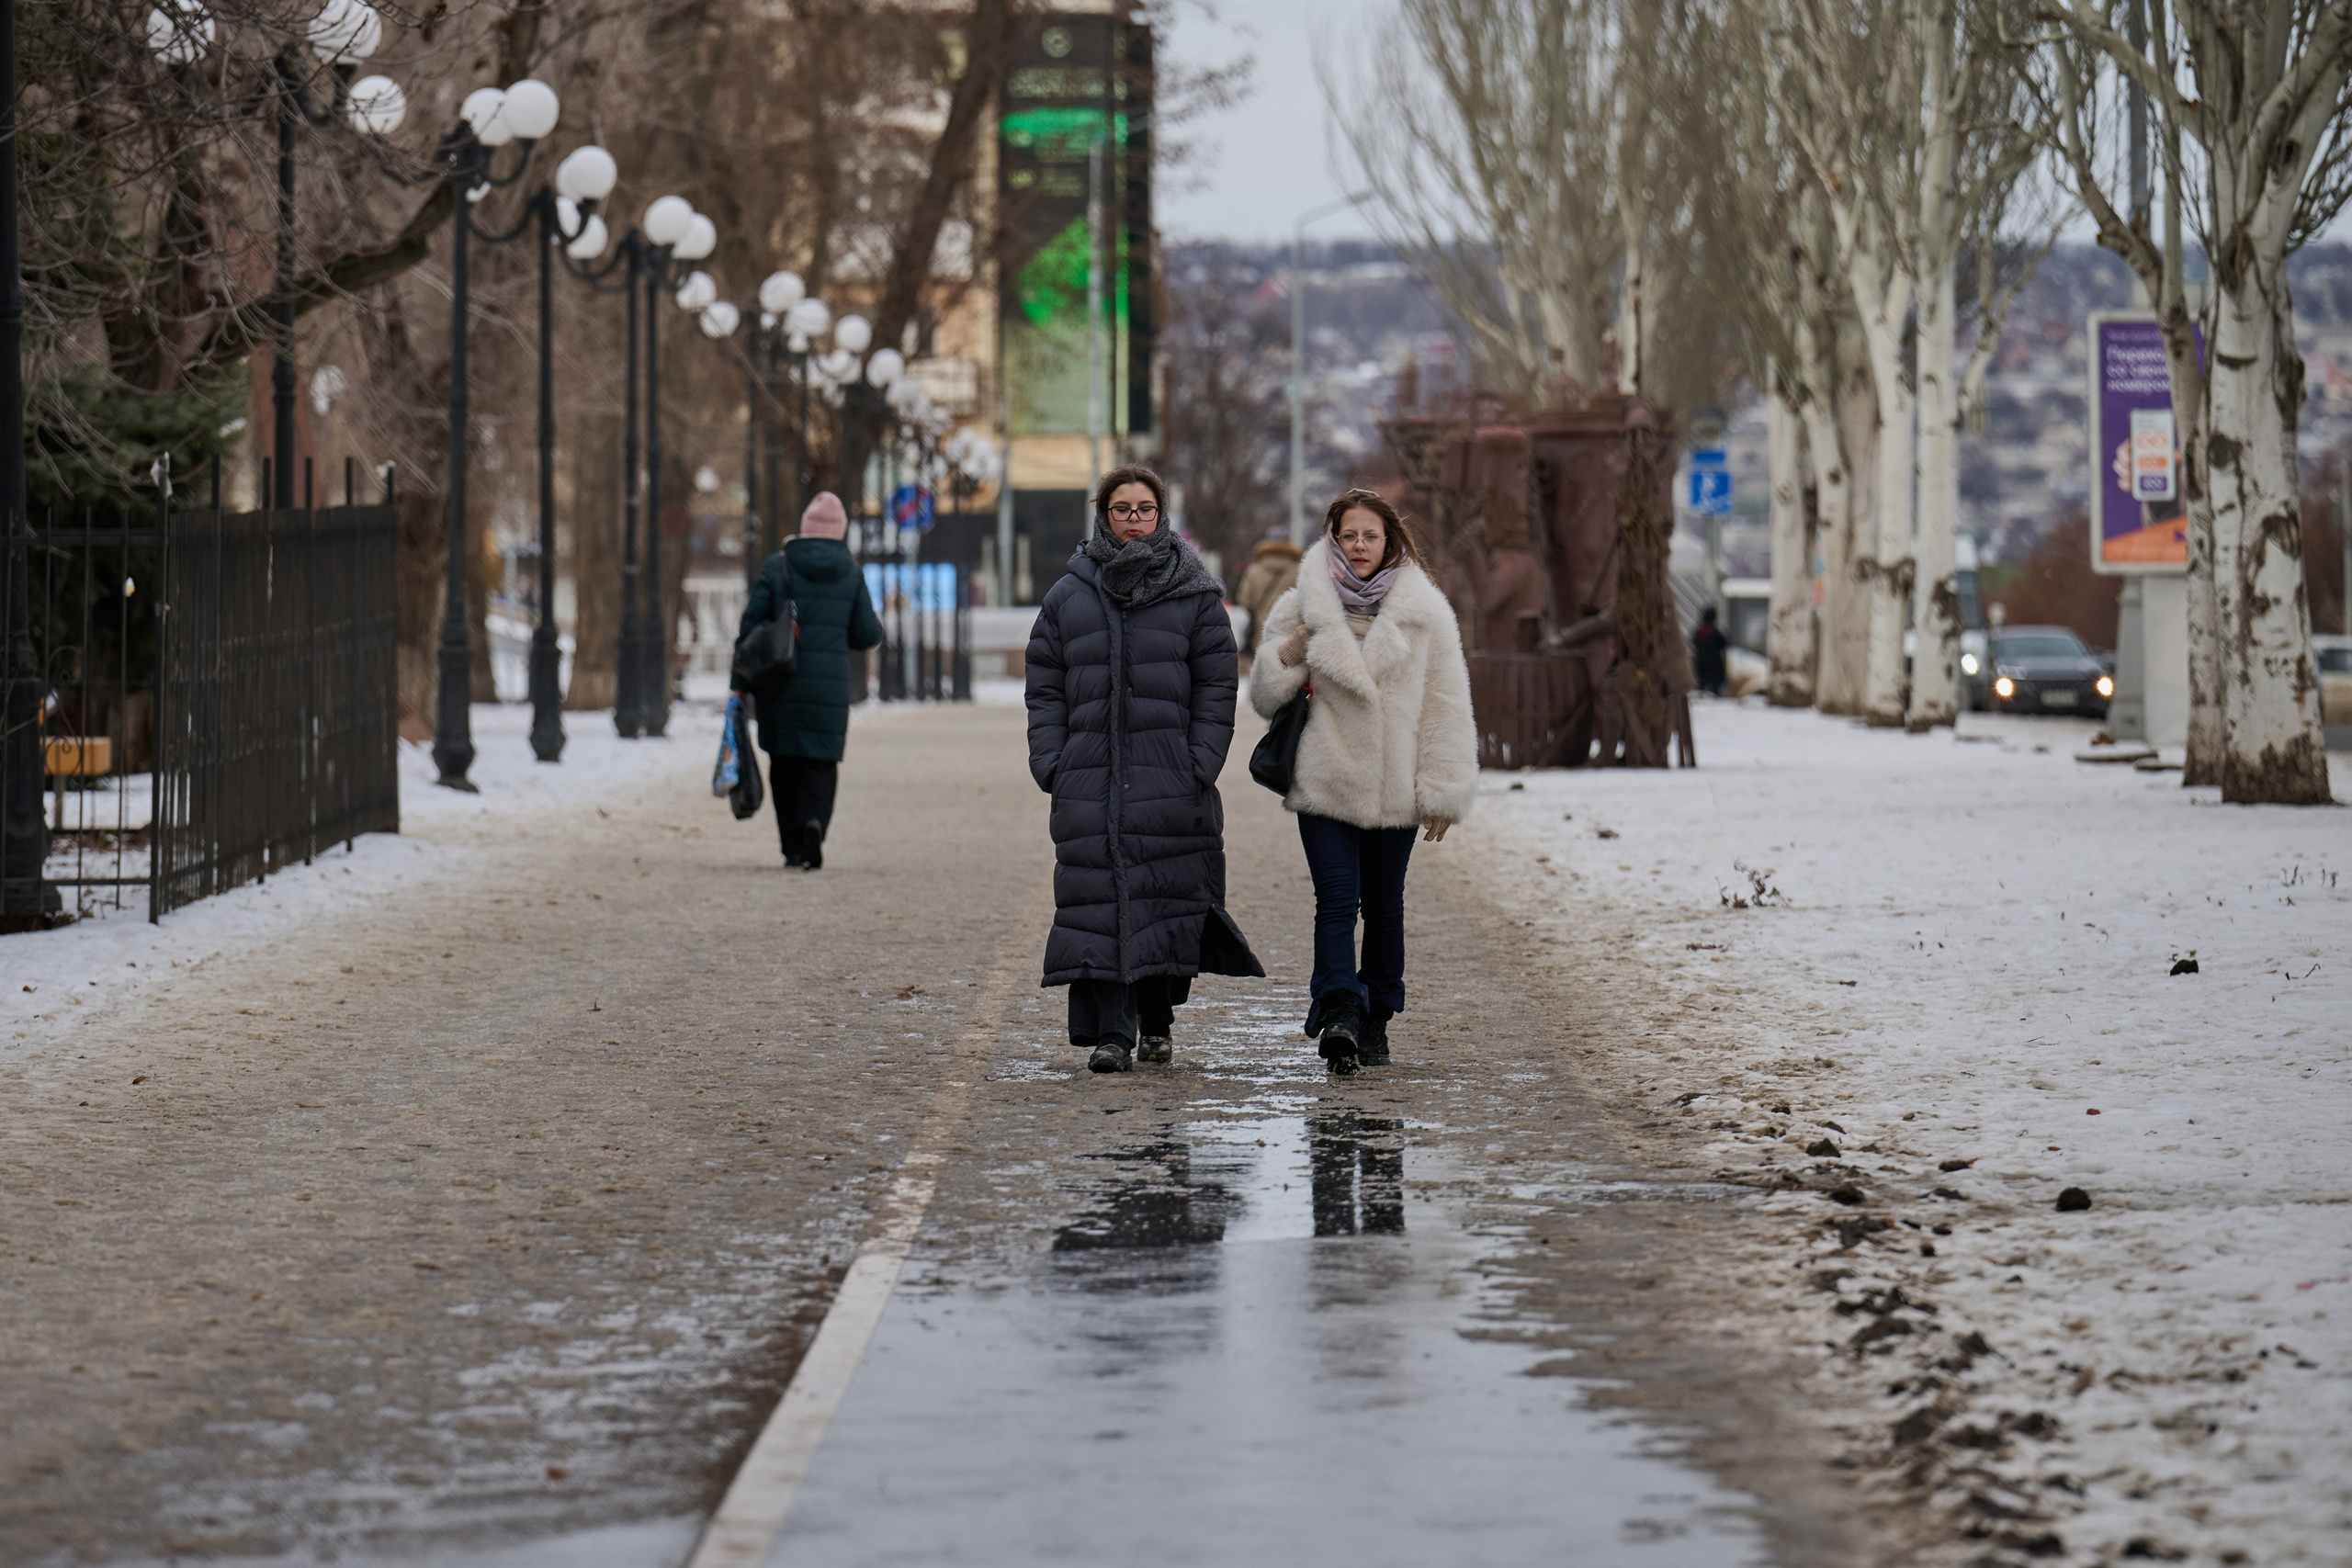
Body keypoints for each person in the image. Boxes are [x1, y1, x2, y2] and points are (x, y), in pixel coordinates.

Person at [1026, 466, 1264, 1074]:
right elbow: (1045, 685)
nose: (1134, 518)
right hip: (1090, 779)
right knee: (1101, 899)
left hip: (1171, 779)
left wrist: (1199, 761)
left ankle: (1156, 1016)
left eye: (1144, 508)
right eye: (1122, 508)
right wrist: (1053, 760)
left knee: (1163, 898)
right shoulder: (1068, 595)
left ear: (1162, 518)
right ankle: (1113, 1033)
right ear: (1104, 516)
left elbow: (1217, 685)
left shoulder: (1196, 594)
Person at [1249, 488, 1477, 1076]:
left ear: (1389, 540)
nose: (1358, 546)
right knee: (1335, 902)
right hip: (1326, 780)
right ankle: (1341, 1010)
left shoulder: (1425, 613)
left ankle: (1376, 1015)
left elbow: (1445, 705)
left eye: (1369, 536)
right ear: (1332, 539)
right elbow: (1265, 698)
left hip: (1395, 788)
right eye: (1348, 536)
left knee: (1384, 907)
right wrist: (1291, 650)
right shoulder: (1302, 605)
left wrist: (1443, 789)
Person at [733, 491, 882, 870]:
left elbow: (750, 628)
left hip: (779, 684)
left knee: (784, 763)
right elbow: (867, 633)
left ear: (804, 529)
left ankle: (791, 846)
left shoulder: (777, 567)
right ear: (840, 532)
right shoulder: (850, 572)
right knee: (820, 763)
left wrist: (740, 684)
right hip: (828, 689)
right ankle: (814, 822)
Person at [1233, 535, 1304, 657]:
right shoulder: (1299, 570)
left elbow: (1244, 601)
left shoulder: (1254, 570)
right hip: (1290, 634)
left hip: (1261, 632)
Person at [1691, 605, 1728, 697]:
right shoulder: (1716, 633)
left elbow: (1694, 642)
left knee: (1701, 689)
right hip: (1715, 666)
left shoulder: (1699, 633)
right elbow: (1724, 644)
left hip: (1702, 665)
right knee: (1715, 691)